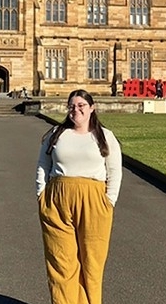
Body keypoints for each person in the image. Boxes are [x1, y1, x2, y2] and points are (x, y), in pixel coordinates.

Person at [36, 89, 122, 304]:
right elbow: (42, 165)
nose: (76, 110)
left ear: (92, 108)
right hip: (57, 198)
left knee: (92, 262)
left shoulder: (104, 135)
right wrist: (41, 194)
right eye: (72, 106)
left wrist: (109, 201)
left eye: (81, 105)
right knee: (61, 261)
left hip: (94, 200)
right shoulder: (56, 133)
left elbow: (115, 171)